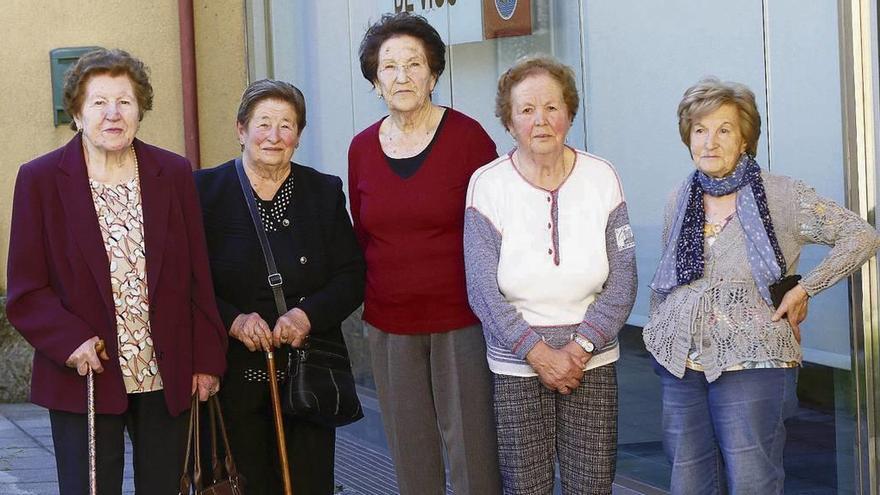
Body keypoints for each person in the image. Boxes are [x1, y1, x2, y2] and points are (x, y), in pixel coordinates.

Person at [643, 77, 880, 494]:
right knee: (687, 479)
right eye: (700, 130)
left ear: (746, 139)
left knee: (753, 479)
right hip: (682, 362)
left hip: (753, 362)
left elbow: (861, 235)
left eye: (724, 130)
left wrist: (805, 289)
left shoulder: (783, 195)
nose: (710, 142)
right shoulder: (679, 197)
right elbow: (672, 276)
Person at [6, 48, 227, 494]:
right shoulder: (41, 180)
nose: (113, 114)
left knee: (166, 487)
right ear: (76, 113)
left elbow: (198, 277)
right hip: (85, 374)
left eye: (125, 102)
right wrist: (69, 340)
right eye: (99, 102)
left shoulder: (173, 172)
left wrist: (206, 359)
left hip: (166, 371)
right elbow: (26, 290)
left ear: (140, 109)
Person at [464, 55, 637, 495]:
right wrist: (538, 354)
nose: (540, 120)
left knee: (593, 485)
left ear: (569, 113)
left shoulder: (602, 176)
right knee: (526, 487)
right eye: (526, 110)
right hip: (518, 366)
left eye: (552, 107)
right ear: (509, 121)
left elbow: (624, 280)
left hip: (592, 362)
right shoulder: (488, 184)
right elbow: (482, 290)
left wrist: (579, 349)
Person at [348, 12, 502, 495]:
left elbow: (498, 229)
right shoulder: (360, 150)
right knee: (411, 452)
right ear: (375, 80)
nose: (401, 76)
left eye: (414, 64)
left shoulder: (469, 138)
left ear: (433, 75)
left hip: (462, 319)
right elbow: (364, 233)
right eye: (388, 66)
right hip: (389, 324)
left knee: (473, 451)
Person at [195, 79, 365, 495]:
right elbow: (187, 282)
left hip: (308, 376)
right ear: (241, 130)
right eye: (263, 123)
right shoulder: (204, 191)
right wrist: (232, 320)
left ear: (299, 136)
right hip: (232, 377)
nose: (275, 136)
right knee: (243, 483)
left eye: (286, 125)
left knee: (308, 482)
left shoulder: (323, 191)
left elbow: (352, 275)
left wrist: (306, 315)